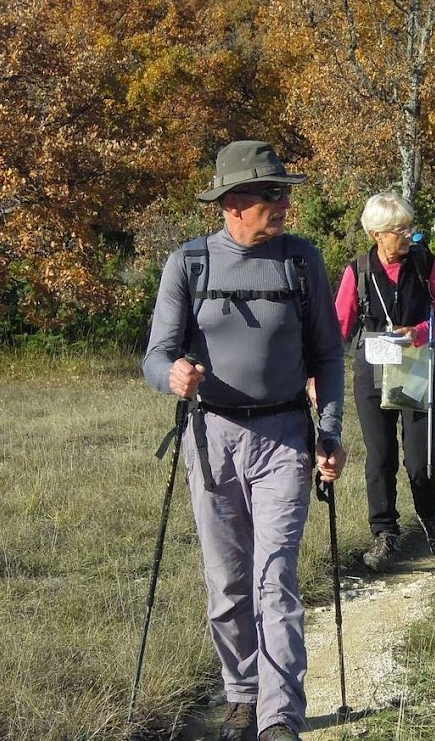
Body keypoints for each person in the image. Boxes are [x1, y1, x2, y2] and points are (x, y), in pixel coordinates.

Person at [142, 140, 347, 741]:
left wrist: (329, 431)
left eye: (284, 191)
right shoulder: (190, 264)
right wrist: (172, 376)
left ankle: (280, 715)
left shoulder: (302, 261)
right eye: (270, 193)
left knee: (275, 573)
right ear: (232, 202)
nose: (283, 203)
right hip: (211, 437)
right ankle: (241, 693)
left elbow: (327, 356)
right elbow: (155, 355)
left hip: (286, 434)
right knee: (227, 577)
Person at [334, 192, 435, 573]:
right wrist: (316, 370)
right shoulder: (358, 270)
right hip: (372, 371)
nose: (408, 236)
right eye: (399, 230)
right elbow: (339, 325)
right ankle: (384, 533)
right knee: (380, 456)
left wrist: (419, 332)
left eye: (409, 228)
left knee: (421, 458)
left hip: (419, 366)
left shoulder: (425, 263)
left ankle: (430, 515)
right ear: (376, 234)